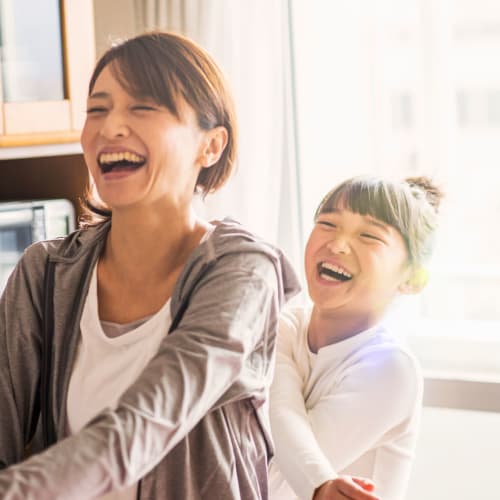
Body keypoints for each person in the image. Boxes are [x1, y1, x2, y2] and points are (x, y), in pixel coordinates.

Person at [0, 31, 300, 499]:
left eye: (142, 107)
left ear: (211, 146)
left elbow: (145, 423)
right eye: (97, 109)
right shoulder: (45, 272)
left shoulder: (242, 270)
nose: (110, 127)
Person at [269, 175, 443, 500]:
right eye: (327, 223)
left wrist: (316, 483)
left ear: (413, 279)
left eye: (368, 235)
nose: (337, 244)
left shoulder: (390, 369)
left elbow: (271, 483)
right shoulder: (285, 325)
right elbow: (279, 411)